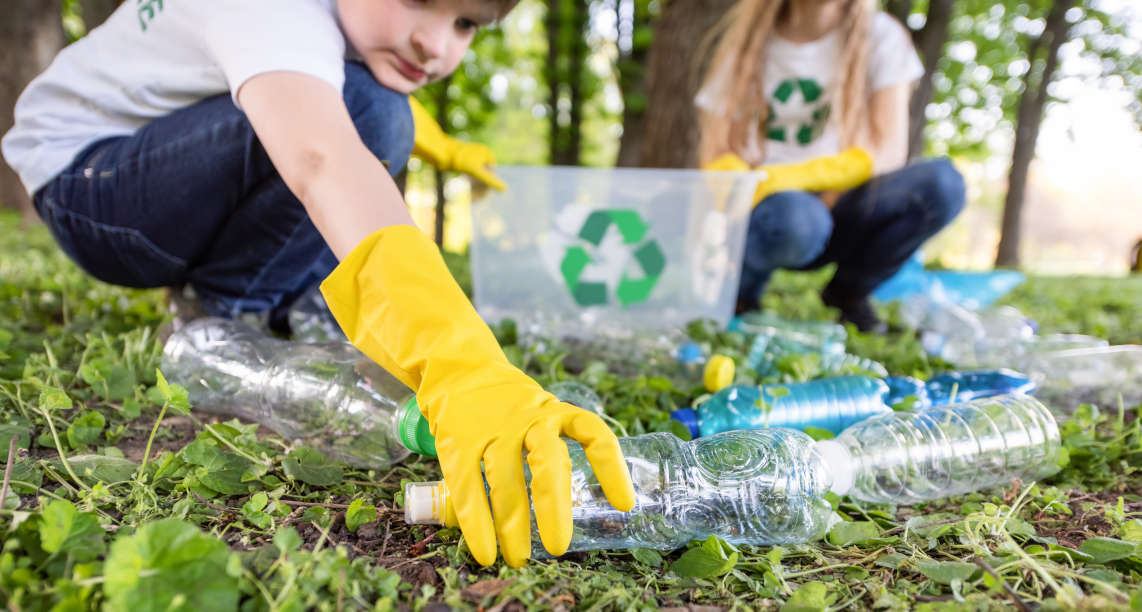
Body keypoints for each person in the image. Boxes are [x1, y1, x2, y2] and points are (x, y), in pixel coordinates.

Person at [1, 0, 634, 567]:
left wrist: (434, 142)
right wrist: (458, 361)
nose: (436, 45)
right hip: (90, 191)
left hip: (140, 173)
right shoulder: (273, 9)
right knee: (371, 114)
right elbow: (321, 153)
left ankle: (272, 293)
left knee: (374, 110)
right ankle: (231, 308)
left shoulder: (326, 28)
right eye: (419, 1)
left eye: (465, 23)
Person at [696, 0, 966, 332]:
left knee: (942, 184)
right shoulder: (748, 40)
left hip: (846, 204)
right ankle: (741, 294)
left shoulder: (880, 35)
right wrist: (744, 185)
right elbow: (716, 149)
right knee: (796, 218)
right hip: (772, 215)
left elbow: (888, 150)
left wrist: (789, 177)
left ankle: (848, 293)